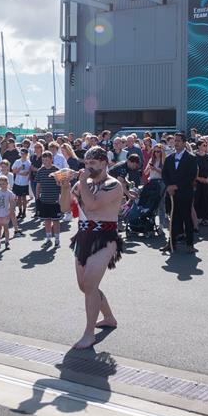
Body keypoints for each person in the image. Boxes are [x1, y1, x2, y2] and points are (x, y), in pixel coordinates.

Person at [68, 146, 125, 350]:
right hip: (83, 235)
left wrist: (81, 182)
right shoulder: (83, 183)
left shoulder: (113, 185)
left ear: (104, 163)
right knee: (84, 286)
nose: (88, 167)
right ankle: (108, 317)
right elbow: (67, 208)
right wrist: (65, 186)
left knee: (90, 285)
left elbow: (92, 205)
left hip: (105, 237)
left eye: (92, 163)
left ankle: (89, 334)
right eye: (86, 163)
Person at [161, 133, 199, 253]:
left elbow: (191, 176)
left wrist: (176, 186)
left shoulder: (191, 158)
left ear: (184, 142)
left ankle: (190, 244)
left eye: (178, 141)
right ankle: (171, 243)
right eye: (175, 141)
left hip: (185, 194)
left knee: (186, 218)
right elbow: (164, 174)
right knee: (173, 218)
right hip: (171, 195)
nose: (176, 143)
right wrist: (168, 186)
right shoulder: (169, 158)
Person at [35, 151, 62, 248]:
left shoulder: (57, 170)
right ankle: (48, 238)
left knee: (56, 221)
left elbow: (61, 185)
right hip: (44, 200)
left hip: (55, 200)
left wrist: (56, 178)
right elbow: (38, 185)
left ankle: (57, 239)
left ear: (51, 159)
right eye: (43, 160)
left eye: (47, 160)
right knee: (46, 220)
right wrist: (37, 198)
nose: (45, 162)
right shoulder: (40, 171)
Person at [0, 176, 15, 251]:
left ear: (7, 183)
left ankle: (7, 242)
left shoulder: (9, 193)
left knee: (6, 228)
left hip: (6, 213)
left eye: (4, 184)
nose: (2, 185)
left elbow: (12, 204)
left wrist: (10, 213)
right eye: (0, 184)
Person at [193, 140, 208, 226]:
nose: (206, 146)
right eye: (204, 145)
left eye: (206, 145)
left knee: (206, 199)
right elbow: (192, 170)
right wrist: (198, 178)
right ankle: (197, 218)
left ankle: (205, 218)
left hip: (206, 182)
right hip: (196, 182)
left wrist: (207, 178)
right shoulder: (194, 157)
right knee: (197, 199)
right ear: (198, 146)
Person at [12, 148, 32, 221]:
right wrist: (20, 169)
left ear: (27, 154)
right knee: (18, 198)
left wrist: (20, 172)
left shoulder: (28, 162)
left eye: (24, 153)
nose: (23, 155)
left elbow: (27, 173)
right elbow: (14, 171)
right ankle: (20, 211)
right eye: (22, 153)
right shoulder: (17, 161)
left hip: (24, 183)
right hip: (17, 182)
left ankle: (24, 212)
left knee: (24, 198)